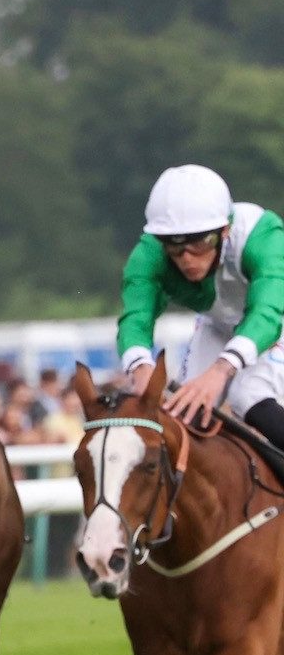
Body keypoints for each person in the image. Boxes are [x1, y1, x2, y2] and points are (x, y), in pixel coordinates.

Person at [118, 164, 284, 447]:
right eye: (173, 246)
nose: (187, 259)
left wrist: (221, 370)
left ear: (225, 230)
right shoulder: (148, 255)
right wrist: (141, 369)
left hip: (274, 321)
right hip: (219, 324)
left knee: (248, 393)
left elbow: (267, 314)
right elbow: (135, 319)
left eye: (199, 243)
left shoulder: (262, 235)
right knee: (185, 407)